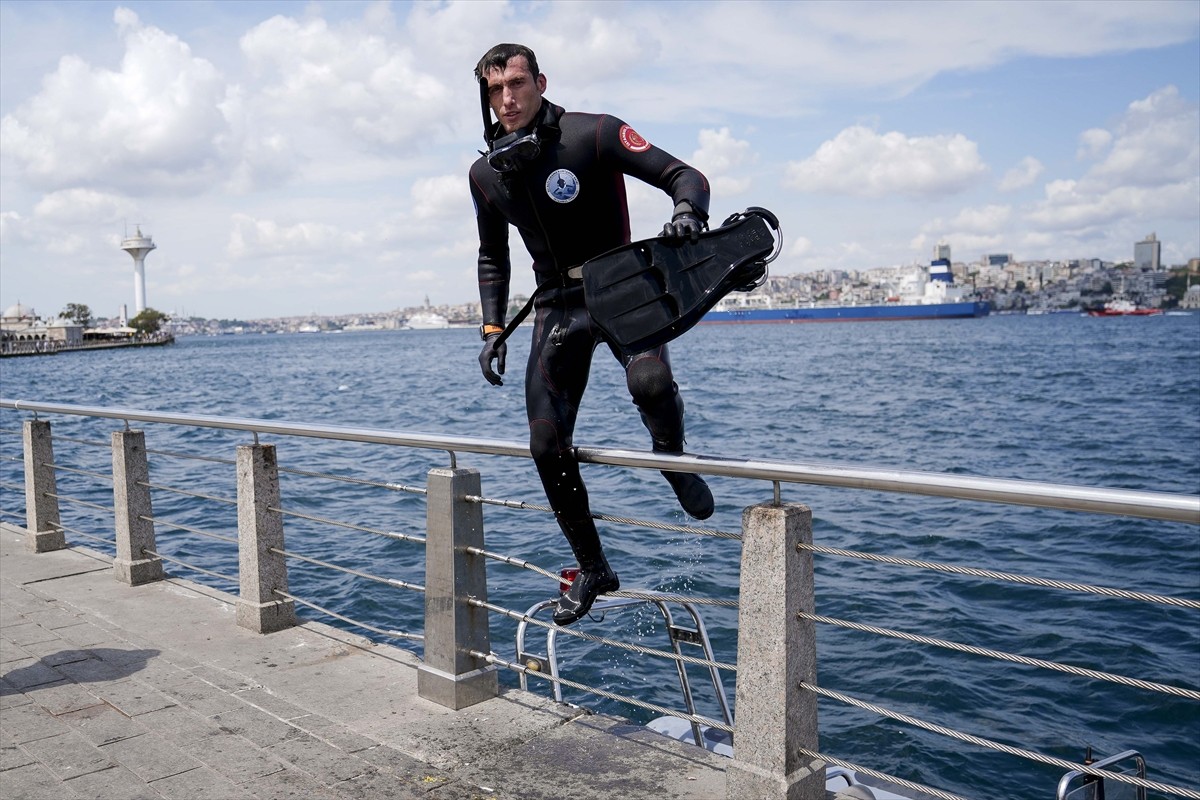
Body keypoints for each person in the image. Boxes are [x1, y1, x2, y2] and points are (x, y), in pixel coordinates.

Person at [469, 43, 714, 627]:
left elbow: (686, 175)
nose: (507, 98)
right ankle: (593, 569)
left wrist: (687, 213)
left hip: (623, 286)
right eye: (496, 89)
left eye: (517, 84)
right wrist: (493, 327)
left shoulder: (594, 133)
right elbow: (492, 255)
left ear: (541, 82)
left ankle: (672, 458)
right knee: (545, 445)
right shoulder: (485, 173)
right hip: (557, 305)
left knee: (650, 382)